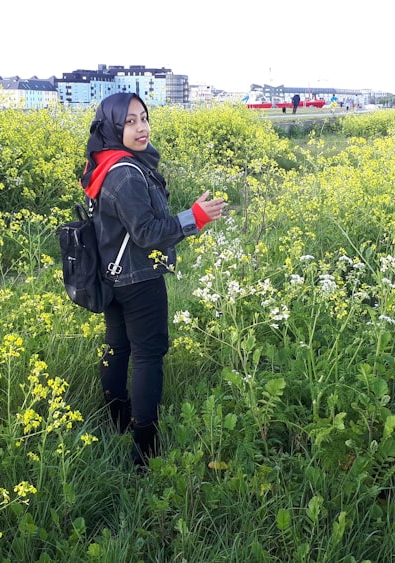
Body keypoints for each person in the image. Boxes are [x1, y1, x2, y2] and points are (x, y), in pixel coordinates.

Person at [80, 92, 225, 467]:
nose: (141, 128)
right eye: (129, 122)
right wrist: (195, 217)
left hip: (111, 274)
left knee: (117, 346)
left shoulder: (104, 163)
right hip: (138, 278)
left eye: (143, 118)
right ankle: (145, 448)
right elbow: (146, 232)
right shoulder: (126, 173)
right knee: (148, 355)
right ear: (112, 126)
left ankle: (116, 420)